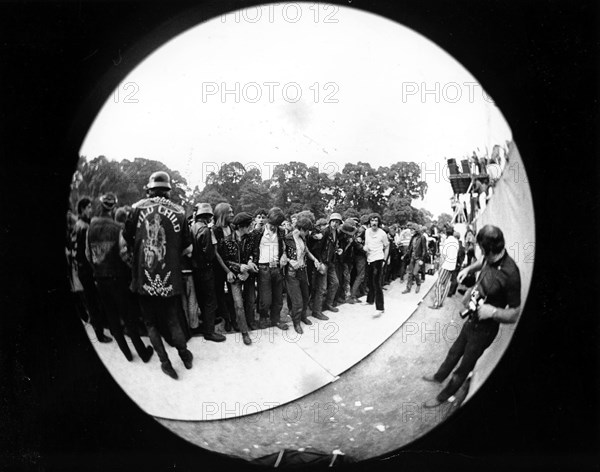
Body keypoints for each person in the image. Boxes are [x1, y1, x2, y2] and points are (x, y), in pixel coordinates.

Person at [422, 225, 521, 407]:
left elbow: (515, 313)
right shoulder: (490, 257)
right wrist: (468, 270)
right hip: (472, 318)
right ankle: (439, 376)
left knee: (464, 367)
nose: (481, 253)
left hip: (485, 328)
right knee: (454, 351)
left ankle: (441, 398)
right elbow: (481, 262)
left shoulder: (511, 273)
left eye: (482, 249)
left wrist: (493, 311)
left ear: (487, 249)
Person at [124, 171, 194, 380]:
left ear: (150, 189)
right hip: (168, 280)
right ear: (168, 191)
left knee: (151, 323)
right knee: (173, 320)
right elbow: (188, 247)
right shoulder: (180, 212)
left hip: (143, 278)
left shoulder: (136, 208)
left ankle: (165, 363)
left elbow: (127, 236)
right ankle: (184, 355)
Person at [86, 193, 154, 362]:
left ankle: (127, 354)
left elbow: (88, 254)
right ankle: (143, 353)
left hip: (100, 279)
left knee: (112, 317)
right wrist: (132, 270)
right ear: (113, 208)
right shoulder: (117, 228)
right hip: (118, 277)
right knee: (128, 316)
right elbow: (124, 254)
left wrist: (97, 268)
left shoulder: (90, 227)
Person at [73, 196, 112, 343]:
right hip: (86, 270)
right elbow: (84, 253)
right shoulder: (82, 227)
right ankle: (100, 334)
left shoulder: (83, 224)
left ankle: (101, 327)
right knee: (93, 302)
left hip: (86, 269)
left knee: (95, 300)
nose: (91, 210)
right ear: (82, 209)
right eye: (88, 207)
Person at [218, 212, 257, 345]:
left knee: (251, 300)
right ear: (241, 226)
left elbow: (254, 252)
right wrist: (239, 267)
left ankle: (249, 322)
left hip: (249, 275)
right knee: (238, 304)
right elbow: (225, 261)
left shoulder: (251, 237)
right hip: (235, 276)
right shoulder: (226, 241)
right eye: (249, 225)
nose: (251, 227)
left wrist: (251, 262)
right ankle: (244, 332)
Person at [190, 203, 226, 342]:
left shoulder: (192, 227)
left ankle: (206, 323)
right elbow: (209, 254)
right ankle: (209, 332)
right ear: (208, 216)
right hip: (205, 269)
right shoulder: (205, 230)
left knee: (201, 299)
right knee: (210, 300)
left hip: (195, 269)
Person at [251, 207, 289, 330]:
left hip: (277, 268)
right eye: (272, 224)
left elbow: (284, 248)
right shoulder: (257, 233)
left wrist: (284, 255)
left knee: (278, 297)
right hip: (263, 268)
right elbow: (251, 250)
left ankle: (275, 320)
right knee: (265, 298)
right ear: (268, 220)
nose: (274, 227)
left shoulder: (282, 232)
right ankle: (263, 318)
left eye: (277, 225)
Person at [284, 217, 320, 334]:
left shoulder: (302, 238)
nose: (308, 233)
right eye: (307, 230)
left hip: (303, 271)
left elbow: (307, 251)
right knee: (297, 300)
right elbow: (282, 254)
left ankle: (303, 316)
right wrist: (290, 261)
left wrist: (315, 260)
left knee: (305, 296)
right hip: (292, 273)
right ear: (300, 229)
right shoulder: (287, 238)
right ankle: (296, 322)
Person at [212, 202, 236, 332]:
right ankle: (227, 320)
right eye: (229, 212)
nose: (232, 214)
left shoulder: (232, 227)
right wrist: (227, 270)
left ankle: (234, 319)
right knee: (221, 295)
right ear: (222, 214)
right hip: (219, 269)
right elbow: (216, 254)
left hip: (233, 266)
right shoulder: (214, 230)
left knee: (233, 295)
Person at [313, 213, 343, 315]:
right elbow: (316, 248)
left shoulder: (336, 233)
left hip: (331, 262)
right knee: (322, 288)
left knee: (335, 283)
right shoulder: (325, 231)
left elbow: (332, 246)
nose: (335, 224)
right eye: (333, 221)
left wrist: (337, 250)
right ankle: (317, 311)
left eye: (337, 222)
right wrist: (320, 262)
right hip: (324, 262)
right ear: (330, 221)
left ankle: (328, 304)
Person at [362, 213, 389, 316]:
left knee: (377, 283)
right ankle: (370, 300)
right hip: (369, 258)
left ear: (379, 222)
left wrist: (384, 260)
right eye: (372, 220)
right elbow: (366, 244)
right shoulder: (367, 232)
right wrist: (365, 248)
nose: (374, 223)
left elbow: (387, 246)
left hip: (378, 258)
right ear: (369, 222)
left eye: (376, 221)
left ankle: (380, 308)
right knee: (369, 281)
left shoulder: (382, 233)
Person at [429, 226, 459, 309]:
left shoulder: (447, 241)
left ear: (446, 233)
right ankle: (441, 302)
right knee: (446, 285)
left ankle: (437, 303)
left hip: (446, 265)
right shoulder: (456, 241)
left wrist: (440, 265)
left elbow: (444, 254)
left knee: (439, 284)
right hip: (452, 265)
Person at [402, 225, 428, 294]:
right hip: (412, 258)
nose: (411, 231)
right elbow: (409, 248)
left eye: (412, 230)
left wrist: (422, 259)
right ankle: (408, 288)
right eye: (410, 230)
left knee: (415, 273)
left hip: (418, 258)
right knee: (410, 273)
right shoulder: (413, 237)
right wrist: (405, 255)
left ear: (416, 230)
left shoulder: (422, 237)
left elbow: (424, 250)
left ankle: (418, 284)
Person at [447, 232, 466, 298]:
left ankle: (450, 292)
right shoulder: (461, 245)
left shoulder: (456, 245)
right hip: (458, 263)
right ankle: (453, 291)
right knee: (456, 277)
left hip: (455, 263)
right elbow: (463, 255)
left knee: (454, 278)